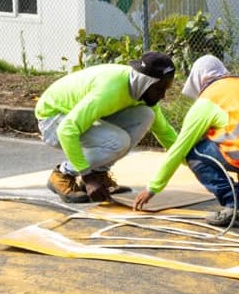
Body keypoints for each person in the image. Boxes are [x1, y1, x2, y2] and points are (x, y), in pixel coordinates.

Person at [131, 55, 239, 227]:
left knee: (194, 153)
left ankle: (236, 202)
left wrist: (152, 188)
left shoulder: (207, 101)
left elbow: (179, 149)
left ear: (198, 79)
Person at [35, 52, 178, 203]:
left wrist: (192, 160)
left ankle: (99, 173)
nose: (163, 95)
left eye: (166, 89)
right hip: (52, 120)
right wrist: (87, 176)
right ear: (145, 82)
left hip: (76, 117)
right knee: (118, 142)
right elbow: (66, 130)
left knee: (146, 115)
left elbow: (165, 133)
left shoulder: (140, 89)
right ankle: (62, 174)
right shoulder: (108, 90)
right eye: (160, 89)